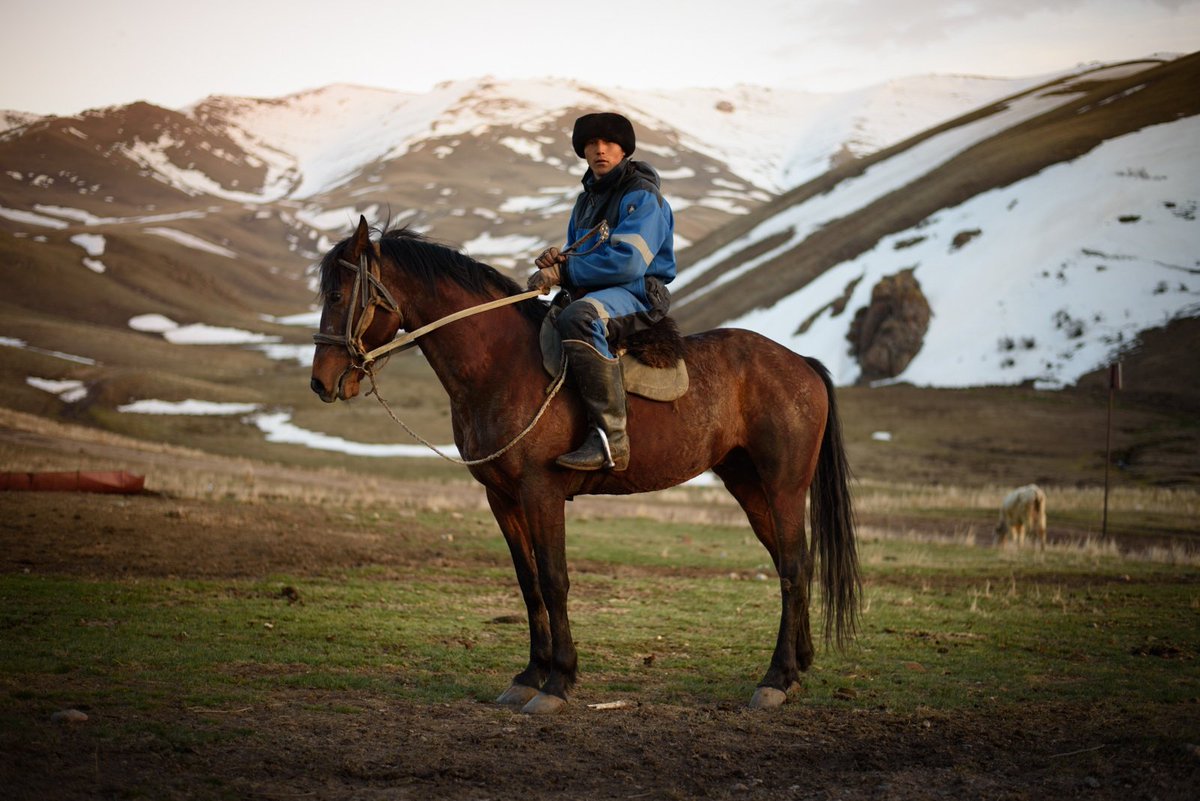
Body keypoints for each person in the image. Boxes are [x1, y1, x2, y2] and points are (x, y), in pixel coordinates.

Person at [528, 112, 676, 472]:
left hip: (639, 292)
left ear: (624, 149)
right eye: (591, 144)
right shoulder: (586, 201)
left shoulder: (641, 196)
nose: (600, 150)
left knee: (579, 317)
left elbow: (628, 262)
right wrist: (558, 260)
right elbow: (580, 253)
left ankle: (612, 439)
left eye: (609, 143)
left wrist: (565, 271)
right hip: (601, 291)